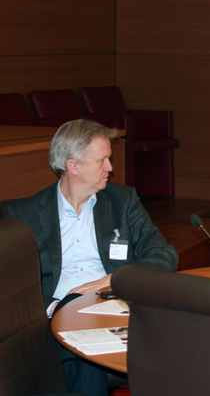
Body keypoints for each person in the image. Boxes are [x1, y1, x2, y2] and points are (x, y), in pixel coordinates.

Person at [7, 119, 178, 396]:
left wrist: (110, 281)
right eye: (102, 160)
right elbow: (14, 287)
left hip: (114, 305)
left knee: (83, 357)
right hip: (55, 314)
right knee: (84, 352)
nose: (110, 167)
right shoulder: (25, 215)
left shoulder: (123, 201)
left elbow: (164, 255)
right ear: (73, 167)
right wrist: (54, 308)